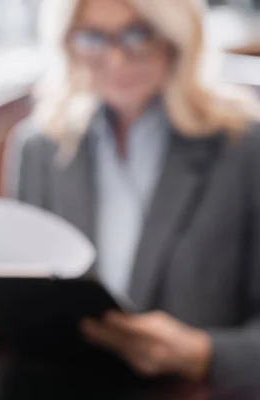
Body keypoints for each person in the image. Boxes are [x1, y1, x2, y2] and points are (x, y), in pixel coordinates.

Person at [13, 0, 260, 388]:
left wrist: (205, 353)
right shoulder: (40, 147)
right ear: (68, 42)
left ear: (176, 37)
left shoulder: (244, 145)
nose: (114, 58)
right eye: (94, 37)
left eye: (137, 34)